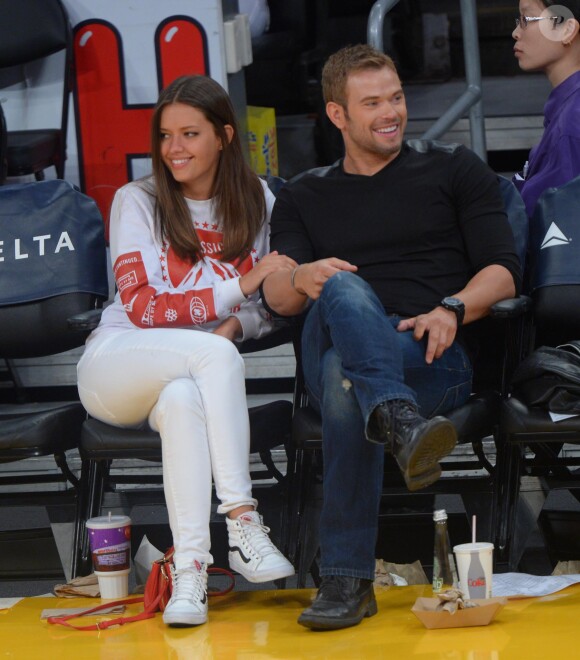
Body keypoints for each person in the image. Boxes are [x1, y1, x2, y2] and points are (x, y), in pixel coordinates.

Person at [262, 44, 521, 631]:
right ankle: (401, 422)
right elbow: (278, 296)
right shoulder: (303, 195)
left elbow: (503, 269)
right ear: (337, 116)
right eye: (372, 102)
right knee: (343, 287)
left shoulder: (455, 168)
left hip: (433, 353)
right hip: (345, 332)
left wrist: (453, 306)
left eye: (396, 97)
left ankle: (346, 580)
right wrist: (301, 275)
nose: (391, 112)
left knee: (340, 377)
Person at [76, 74, 295, 628]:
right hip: (117, 361)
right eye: (166, 136)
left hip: (185, 374)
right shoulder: (137, 200)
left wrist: (235, 326)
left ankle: (191, 570)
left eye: (190, 134)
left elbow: (269, 304)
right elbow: (144, 308)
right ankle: (243, 519)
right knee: (213, 359)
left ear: (224, 135)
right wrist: (236, 293)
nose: (174, 149)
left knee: (182, 399)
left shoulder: (259, 200)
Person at [513, 0, 580, 217]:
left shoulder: (572, 121)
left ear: (567, 30)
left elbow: (559, 227)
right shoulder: (567, 108)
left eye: (526, 19)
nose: (516, 32)